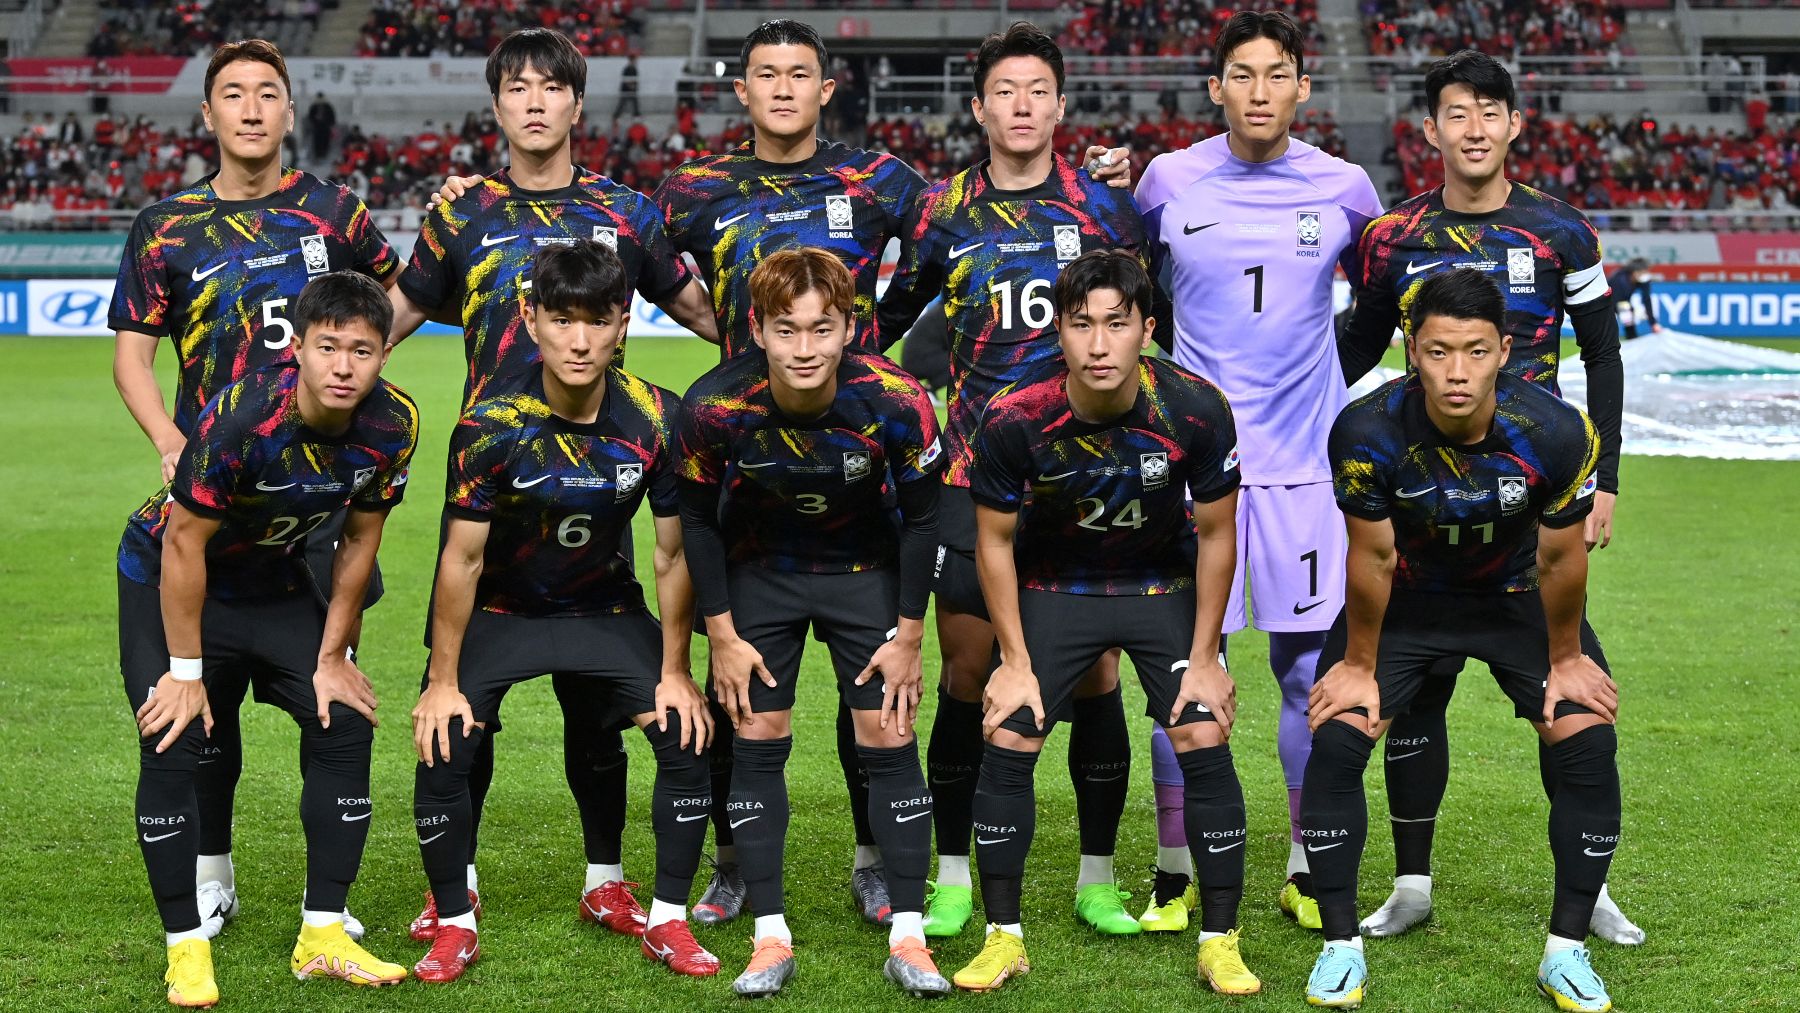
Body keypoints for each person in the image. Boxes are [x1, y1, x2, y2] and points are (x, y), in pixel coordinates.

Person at [385, 26, 718, 946]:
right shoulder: (462, 213)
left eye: (551, 88)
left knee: (596, 705)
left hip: (600, 486)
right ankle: (460, 885)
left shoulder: (626, 211)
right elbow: (400, 312)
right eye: (516, 88)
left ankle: (606, 880)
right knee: (464, 718)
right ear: (496, 106)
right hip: (497, 484)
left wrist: (790, 372)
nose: (534, 102)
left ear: (578, 103)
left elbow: (699, 311)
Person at [1337, 49, 1637, 946]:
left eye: (1489, 113)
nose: (1473, 130)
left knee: (1564, 691)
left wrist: (1607, 478)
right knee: (1413, 698)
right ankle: (1412, 883)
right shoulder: (1390, 237)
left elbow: (1606, 357)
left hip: (1528, 506)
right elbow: (1351, 353)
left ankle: (1594, 887)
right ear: (1430, 130)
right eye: (1456, 114)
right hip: (1422, 504)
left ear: (1514, 125)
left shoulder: (1562, 233)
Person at [109, 37, 401, 947]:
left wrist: (354, 404)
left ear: (287, 110)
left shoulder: (334, 212)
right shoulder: (165, 225)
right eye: (231, 94)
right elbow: (133, 353)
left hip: (310, 512)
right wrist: (167, 434)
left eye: (267, 94)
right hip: (213, 491)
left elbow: (391, 307)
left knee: (330, 692)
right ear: (207, 115)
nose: (249, 109)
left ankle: (327, 905)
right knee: (205, 704)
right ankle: (211, 871)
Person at [873, 21, 1147, 940]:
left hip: (1086, 477)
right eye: (1006, 92)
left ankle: (1097, 876)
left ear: (1061, 106)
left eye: (1039, 91)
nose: (1022, 106)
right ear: (981, 106)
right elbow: (886, 328)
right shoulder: (941, 211)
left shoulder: (1107, 209)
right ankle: (952, 872)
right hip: (971, 475)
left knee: (1098, 672)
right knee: (966, 670)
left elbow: (1155, 322)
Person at [1301, 269, 1622, 1013]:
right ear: (1411, 349)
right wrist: (1357, 665)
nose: (1456, 371)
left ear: (1505, 350)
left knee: (1585, 734)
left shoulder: (1556, 430)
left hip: (1514, 600)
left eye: (1475, 351)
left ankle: (1566, 949)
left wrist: (1568, 659)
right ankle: (1340, 944)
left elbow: (1560, 557)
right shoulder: (1365, 430)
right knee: (1340, 734)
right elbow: (1372, 558)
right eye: (1439, 350)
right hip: (1408, 602)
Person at [1132, 10, 1383, 932]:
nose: (1261, 91)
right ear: (1217, 87)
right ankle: (1173, 872)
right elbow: (1137, 297)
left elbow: (1381, 300)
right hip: (1192, 471)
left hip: (1307, 472)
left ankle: (1304, 867)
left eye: (1278, 74)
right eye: (1243, 74)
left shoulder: (1346, 187)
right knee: (1183, 669)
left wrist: (1329, 385)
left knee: (1304, 668)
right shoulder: (1167, 181)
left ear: (1302, 88)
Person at [409, 241, 716, 983]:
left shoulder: (655, 416)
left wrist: (676, 670)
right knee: (445, 739)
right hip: (502, 609)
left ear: (624, 324)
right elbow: (462, 561)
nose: (580, 340)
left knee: (685, 733)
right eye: (562, 319)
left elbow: (672, 556)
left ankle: (660, 915)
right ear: (531, 320)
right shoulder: (491, 424)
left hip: (602, 606)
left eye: (598, 321)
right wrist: (441, 678)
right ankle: (455, 918)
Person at [957, 251, 1255, 994]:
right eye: (1081, 324)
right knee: (1009, 726)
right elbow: (993, 542)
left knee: (1200, 724)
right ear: (1058, 330)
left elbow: (1218, 535)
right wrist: (1013, 658)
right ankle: (1004, 936)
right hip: (1060, 583)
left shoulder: (1195, 407)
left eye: (1116, 324)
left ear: (1146, 329)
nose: (1098, 344)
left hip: (1160, 584)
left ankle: (1221, 938)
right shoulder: (1013, 416)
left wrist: (1208, 655)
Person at [118, 271, 418, 1005]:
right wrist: (184, 671)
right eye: (328, 347)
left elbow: (359, 540)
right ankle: (185, 947)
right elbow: (183, 544)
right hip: (177, 578)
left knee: (344, 718)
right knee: (173, 732)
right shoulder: (243, 416)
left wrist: (333, 655)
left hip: (279, 578)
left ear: (385, 353)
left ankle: (324, 934)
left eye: (363, 349)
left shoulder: (395, 423)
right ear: (299, 351)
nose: (344, 365)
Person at [677, 248, 947, 999]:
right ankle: (769, 934)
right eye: (787, 329)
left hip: (866, 573)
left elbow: (925, 519)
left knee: (889, 738)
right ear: (757, 330)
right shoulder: (713, 408)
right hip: (760, 575)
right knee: (756, 740)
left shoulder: (897, 401)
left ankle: (911, 936)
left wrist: (910, 633)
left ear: (849, 328)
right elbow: (696, 523)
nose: (804, 348)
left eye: (821, 329)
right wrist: (723, 633)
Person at [1607, 259, 1659, 340]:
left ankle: (1632, 339)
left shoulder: (1643, 281)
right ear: (1635, 272)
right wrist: (1631, 312)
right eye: (1643, 272)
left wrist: (1653, 323)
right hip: (1607, 301)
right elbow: (1616, 303)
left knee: (1628, 318)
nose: (1646, 274)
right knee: (1625, 316)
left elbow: (1647, 299)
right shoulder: (1619, 280)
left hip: (1623, 303)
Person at [305, 92, 335, 162]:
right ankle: (318, 155)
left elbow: (332, 116)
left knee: (325, 141)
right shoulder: (314, 107)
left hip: (325, 127)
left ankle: (324, 154)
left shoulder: (327, 106)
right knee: (317, 142)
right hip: (317, 128)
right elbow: (310, 117)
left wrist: (329, 123)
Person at [614, 55, 640, 119]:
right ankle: (616, 116)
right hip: (626, 90)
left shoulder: (634, 69)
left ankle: (636, 115)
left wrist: (634, 87)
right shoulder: (627, 69)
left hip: (632, 90)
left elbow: (635, 80)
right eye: (634, 60)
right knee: (622, 104)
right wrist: (631, 86)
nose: (635, 62)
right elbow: (625, 80)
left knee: (635, 103)